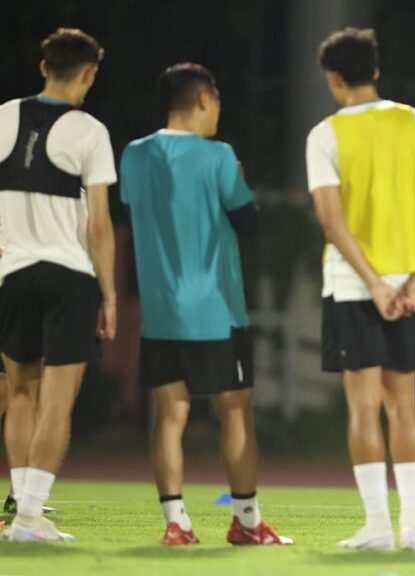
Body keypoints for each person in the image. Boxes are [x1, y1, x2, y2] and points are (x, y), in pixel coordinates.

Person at [119, 63, 290, 546]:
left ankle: (176, 523)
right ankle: (247, 523)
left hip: (160, 310)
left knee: (170, 412)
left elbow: (139, 214)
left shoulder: (133, 155)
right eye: (215, 103)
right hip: (215, 308)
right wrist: (236, 178)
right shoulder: (218, 155)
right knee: (236, 411)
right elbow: (248, 222)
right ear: (201, 100)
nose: (217, 113)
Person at [306, 27, 415, 550]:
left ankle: (376, 527)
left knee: (364, 407)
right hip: (412, 287)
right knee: (404, 405)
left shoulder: (325, 134)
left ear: (332, 78)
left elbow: (330, 219)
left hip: (354, 287)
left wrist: (371, 282)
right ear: (375, 70)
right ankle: (413, 524)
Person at [0, 28, 116, 542]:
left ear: (43, 67)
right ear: (89, 74)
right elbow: (98, 224)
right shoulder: (90, 131)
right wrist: (109, 294)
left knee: (21, 392)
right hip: (69, 275)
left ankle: (22, 514)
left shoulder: (2, 115)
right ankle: (29, 516)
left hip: (12, 274)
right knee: (57, 400)